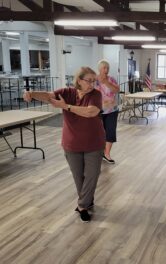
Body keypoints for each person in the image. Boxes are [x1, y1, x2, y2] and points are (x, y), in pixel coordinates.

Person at [23, 67, 105, 223]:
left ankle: (82, 205)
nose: (92, 84)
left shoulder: (96, 95)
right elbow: (48, 96)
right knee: (78, 176)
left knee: (92, 175)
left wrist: (65, 107)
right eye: (89, 80)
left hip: (94, 143)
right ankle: (87, 201)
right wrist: (32, 94)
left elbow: (90, 112)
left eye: (94, 81)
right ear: (79, 80)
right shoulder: (67, 93)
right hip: (71, 143)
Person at [95, 59, 120, 164]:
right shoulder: (94, 80)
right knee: (98, 133)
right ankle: (98, 153)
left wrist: (106, 82)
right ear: (99, 69)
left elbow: (116, 90)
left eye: (108, 68)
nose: (106, 70)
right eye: (104, 67)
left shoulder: (111, 79)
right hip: (97, 111)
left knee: (110, 131)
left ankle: (107, 154)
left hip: (112, 110)